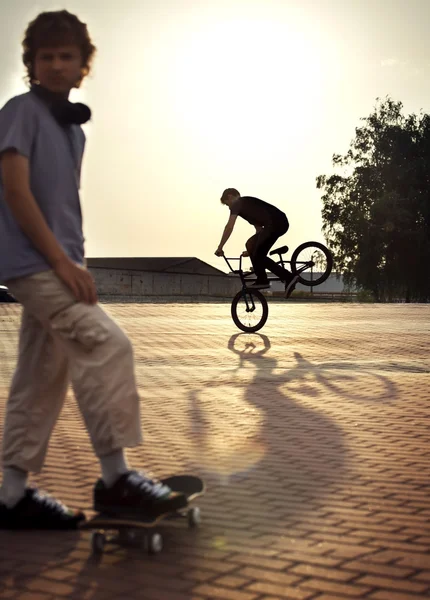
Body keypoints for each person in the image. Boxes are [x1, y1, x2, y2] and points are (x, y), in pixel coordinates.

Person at [0, 10, 187, 530]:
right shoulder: (19, 112)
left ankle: (12, 497)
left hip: (59, 263)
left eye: (67, 56)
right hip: (36, 264)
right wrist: (61, 264)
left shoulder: (73, 131)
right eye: (46, 57)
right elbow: (15, 193)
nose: (56, 65)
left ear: (84, 65)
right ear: (31, 64)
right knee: (107, 345)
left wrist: (75, 260)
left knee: (40, 377)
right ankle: (116, 480)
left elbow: (61, 203)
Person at [215, 188, 299, 296]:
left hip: (275, 223)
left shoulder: (237, 203)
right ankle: (264, 278)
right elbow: (259, 231)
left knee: (259, 255)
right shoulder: (248, 207)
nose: (229, 208)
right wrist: (250, 251)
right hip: (278, 223)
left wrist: (220, 246)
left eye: (227, 205)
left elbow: (229, 226)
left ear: (230, 197)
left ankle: (285, 277)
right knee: (251, 245)